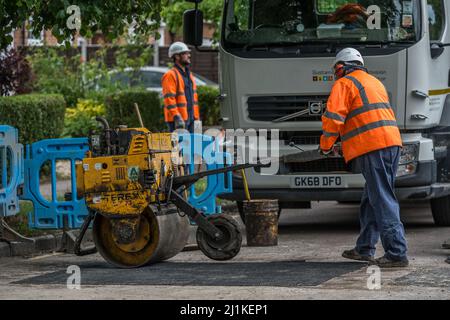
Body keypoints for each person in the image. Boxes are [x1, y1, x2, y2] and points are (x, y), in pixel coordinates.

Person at [320, 48, 409, 268]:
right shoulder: (373, 82)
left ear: (341, 68)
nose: (335, 75)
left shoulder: (344, 83)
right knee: (372, 197)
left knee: (381, 198)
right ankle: (365, 248)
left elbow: (333, 118)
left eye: (336, 71)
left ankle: (397, 253)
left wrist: (325, 145)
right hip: (391, 143)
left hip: (373, 146)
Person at [161, 42, 200, 133]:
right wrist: (177, 117)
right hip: (178, 120)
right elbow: (169, 99)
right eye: (185, 53)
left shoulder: (189, 75)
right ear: (177, 56)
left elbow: (193, 99)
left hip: (192, 119)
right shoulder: (170, 75)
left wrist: (197, 118)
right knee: (179, 147)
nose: (189, 55)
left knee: (194, 146)